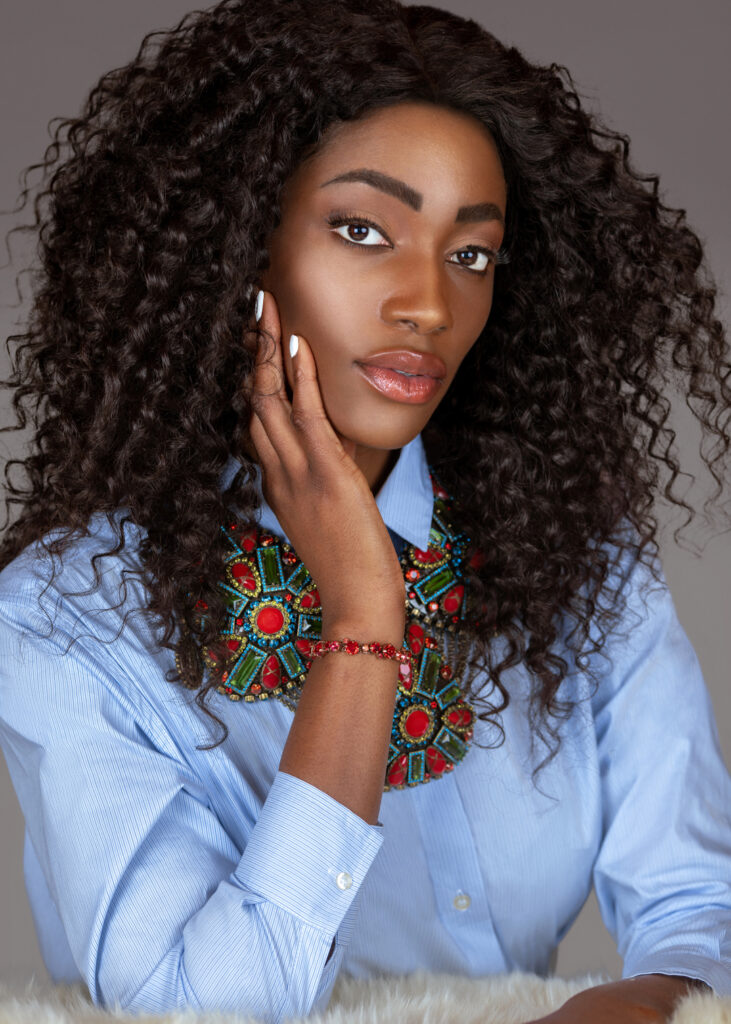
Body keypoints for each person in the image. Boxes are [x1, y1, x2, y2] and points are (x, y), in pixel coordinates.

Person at [0, 0, 729, 1021]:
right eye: (361, 230)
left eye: (469, 254)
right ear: (244, 251)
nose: (428, 302)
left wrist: (647, 998)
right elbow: (199, 1007)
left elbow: (700, 907)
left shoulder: (577, 560)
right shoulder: (64, 615)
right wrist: (360, 624)